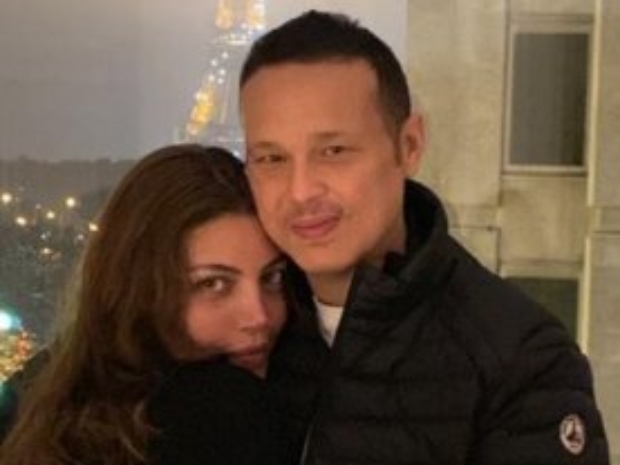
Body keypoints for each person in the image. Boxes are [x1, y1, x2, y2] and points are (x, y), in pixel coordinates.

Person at [238, 10, 610, 465]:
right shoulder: (247, 334)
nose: (300, 191)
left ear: (409, 145)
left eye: (333, 151)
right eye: (271, 159)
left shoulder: (517, 358)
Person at [0, 144, 289, 465]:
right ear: (139, 290)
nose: (259, 316)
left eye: (271, 278)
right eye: (212, 284)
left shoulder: (45, 403)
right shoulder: (223, 416)